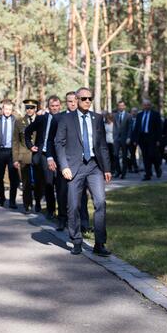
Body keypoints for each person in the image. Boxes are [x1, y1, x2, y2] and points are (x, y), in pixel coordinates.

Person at [54, 87, 112, 257]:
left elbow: (102, 145)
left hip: (95, 167)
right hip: (74, 168)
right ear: (77, 100)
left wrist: (107, 168)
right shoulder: (66, 119)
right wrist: (64, 166)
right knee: (73, 205)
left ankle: (99, 244)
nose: (87, 101)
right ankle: (77, 240)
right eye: (84, 98)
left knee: (100, 202)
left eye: (90, 98)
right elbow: (59, 143)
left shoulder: (97, 118)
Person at [54, 92, 89, 232]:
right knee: (63, 192)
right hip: (65, 163)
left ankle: (84, 223)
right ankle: (62, 220)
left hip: (83, 162)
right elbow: (53, 141)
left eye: (75, 100)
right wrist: (52, 159)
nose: (73, 103)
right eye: (70, 101)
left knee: (82, 194)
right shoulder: (59, 118)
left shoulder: (85, 117)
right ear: (66, 102)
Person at [24, 95, 61, 219]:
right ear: (48, 107)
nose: (55, 108)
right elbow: (28, 131)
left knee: (57, 184)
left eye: (57, 106)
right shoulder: (42, 118)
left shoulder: (64, 118)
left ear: (60, 106)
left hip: (59, 155)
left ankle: (59, 211)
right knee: (47, 183)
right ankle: (49, 209)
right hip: (43, 154)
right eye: (52, 106)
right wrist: (30, 145)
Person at [0, 99, 20, 208]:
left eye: (10, 109)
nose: (7, 111)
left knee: (13, 177)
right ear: (2, 109)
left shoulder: (16, 121)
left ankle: (12, 201)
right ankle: (2, 198)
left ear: (12, 110)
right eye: (6, 109)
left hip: (12, 152)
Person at [14, 99, 37, 213]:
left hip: (38, 155)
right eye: (27, 108)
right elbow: (15, 142)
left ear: (35, 108)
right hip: (24, 156)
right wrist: (15, 158)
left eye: (32, 108)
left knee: (39, 182)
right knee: (26, 183)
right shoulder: (19, 122)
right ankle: (27, 204)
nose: (29, 110)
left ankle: (37, 204)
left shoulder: (41, 120)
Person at [133, 99, 162, 180]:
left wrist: (158, 140)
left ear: (150, 106)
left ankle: (157, 168)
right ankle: (148, 174)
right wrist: (135, 140)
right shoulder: (139, 115)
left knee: (152, 155)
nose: (146, 106)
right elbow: (136, 128)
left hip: (152, 138)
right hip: (142, 138)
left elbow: (159, 128)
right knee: (145, 156)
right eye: (145, 105)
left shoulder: (155, 114)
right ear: (143, 106)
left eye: (148, 105)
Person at [114, 100, 130, 179]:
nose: (121, 107)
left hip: (125, 139)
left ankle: (123, 173)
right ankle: (118, 171)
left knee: (124, 156)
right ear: (118, 107)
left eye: (122, 106)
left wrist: (129, 137)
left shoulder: (128, 116)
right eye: (119, 106)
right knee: (115, 155)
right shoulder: (115, 115)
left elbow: (130, 128)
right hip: (116, 139)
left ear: (124, 106)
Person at [126, 107, 140, 173]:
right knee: (130, 154)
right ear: (131, 112)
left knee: (133, 154)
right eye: (133, 111)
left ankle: (135, 167)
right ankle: (132, 167)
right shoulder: (128, 119)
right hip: (129, 139)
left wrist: (136, 140)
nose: (134, 113)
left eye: (135, 111)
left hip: (136, 140)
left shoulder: (139, 119)